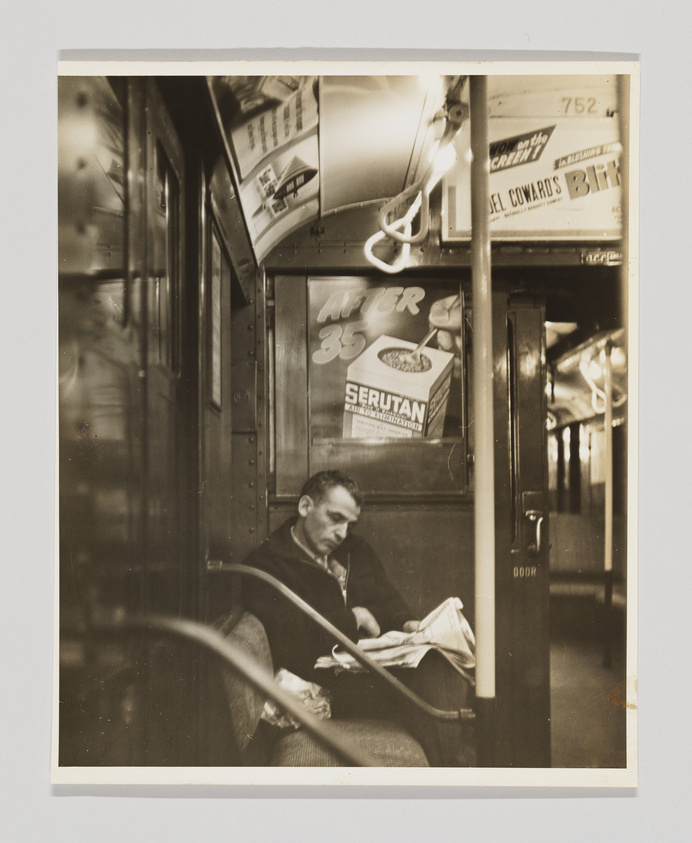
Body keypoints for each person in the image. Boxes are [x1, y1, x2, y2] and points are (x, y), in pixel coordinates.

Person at [242, 469, 475, 766]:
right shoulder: (267, 563)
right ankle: (445, 774)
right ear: (305, 507)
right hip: (323, 684)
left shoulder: (356, 551)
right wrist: (352, 618)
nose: (342, 534)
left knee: (444, 665)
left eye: (349, 524)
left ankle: (442, 769)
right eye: (335, 518)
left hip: (368, 670)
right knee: (438, 686)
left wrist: (407, 623)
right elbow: (285, 637)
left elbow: (386, 599)